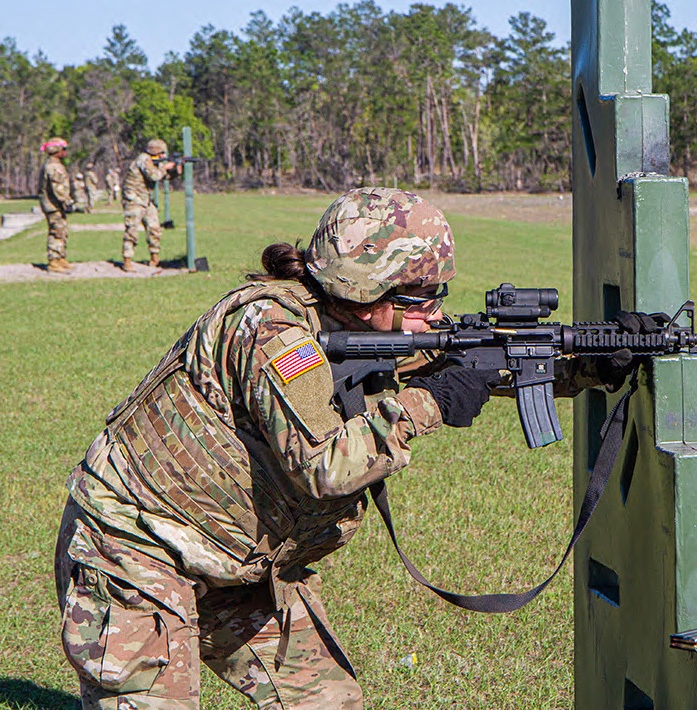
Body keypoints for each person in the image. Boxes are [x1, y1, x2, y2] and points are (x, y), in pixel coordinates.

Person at [53, 187, 622, 709]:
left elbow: (469, 364)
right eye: (422, 299)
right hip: (134, 549)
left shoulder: (367, 328)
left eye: (437, 295)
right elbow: (324, 465)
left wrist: (591, 363)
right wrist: (428, 405)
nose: (435, 314)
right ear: (365, 291)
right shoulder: (271, 332)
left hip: (241, 562)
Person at [121, 138, 174, 271]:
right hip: (134, 199)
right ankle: (127, 260)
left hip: (145, 199)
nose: (162, 156)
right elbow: (154, 176)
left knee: (154, 227)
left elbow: (164, 177)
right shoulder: (144, 159)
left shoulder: (152, 161)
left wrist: (176, 169)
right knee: (132, 230)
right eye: (161, 153)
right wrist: (164, 168)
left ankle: (154, 257)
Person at [37, 137, 75, 273]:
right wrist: (67, 201)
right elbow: (57, 188)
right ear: (56, 150)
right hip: (53, 205)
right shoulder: (53, 166)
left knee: (62, 231)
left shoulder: (55, 164)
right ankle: (53, 261)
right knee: (56, 232)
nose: (65, 152)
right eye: (63, 149)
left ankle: (61, 257)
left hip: (56, 205)